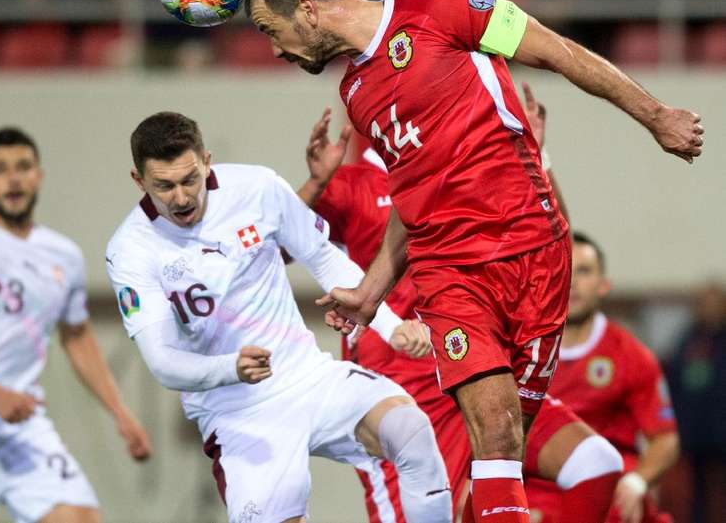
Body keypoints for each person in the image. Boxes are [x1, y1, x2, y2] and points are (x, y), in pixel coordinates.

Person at [245, 0, 703, 523]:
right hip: (450, 273)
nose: (273, 47)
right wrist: (372, 291)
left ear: (307, 11)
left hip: (535, 251)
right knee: (497, 432)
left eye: (271, 29)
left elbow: (557, 51)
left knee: (505, 457)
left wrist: (654, 115)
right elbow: (412, 199)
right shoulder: (356, 96)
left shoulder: (449, 8)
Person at [105, 112, 452, 523]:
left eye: (190, 179)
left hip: (306, 374)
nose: (181, 198)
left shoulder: (258, 187)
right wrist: (229, 368)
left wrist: (390, 327)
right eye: (164, 186)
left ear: (207, 160)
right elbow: (162, 360)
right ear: (138, 180)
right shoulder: (129, 251)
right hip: (235, 412)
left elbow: (323, 257)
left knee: (409, 431)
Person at [297, 87, 622, 523]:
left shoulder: (468, 167)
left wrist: (536, 155)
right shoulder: (354, 183)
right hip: (404, 385)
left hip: (479, 360)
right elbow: (278, 245)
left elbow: (554, 232)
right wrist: (317, 184)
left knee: (594, 463)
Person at [0, 128, 151, 523]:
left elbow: (78, 336)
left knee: (82, 518)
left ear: (39, 176)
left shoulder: (63, 255)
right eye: (0, 170)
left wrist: (120, 412)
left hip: (23, 430)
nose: (14, 178)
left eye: (23, 167)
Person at [525, 233, 680, 523]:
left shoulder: (630, 356)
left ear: (603, 285)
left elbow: (665, 439)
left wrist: (638, 482)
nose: (572, 282)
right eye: (566, 269)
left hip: (610, 490)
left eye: (584, 271)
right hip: (538, 488)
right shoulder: (523, 351)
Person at [668, 282, 726, 523]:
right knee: (696, 490)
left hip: (721, 424)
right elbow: (674, 382)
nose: (708, 309)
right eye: (703, 303)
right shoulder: (688, 339)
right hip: (695, 429)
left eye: (713, 303)